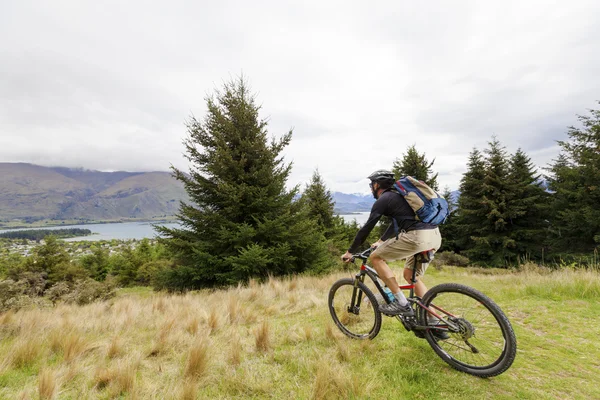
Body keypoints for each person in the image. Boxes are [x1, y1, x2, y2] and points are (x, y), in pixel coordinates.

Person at [341, 170, 442, 317]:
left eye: (371, 185)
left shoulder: (383, 199)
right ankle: (434, 319)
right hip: (434, 236)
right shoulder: (400, 197)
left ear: (377, 185)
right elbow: (397, 222)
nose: (370, 188)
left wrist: (350, 252)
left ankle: (402, 303)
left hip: (417, 237)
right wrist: (381, 241)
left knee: (376, 257)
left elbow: (367, 228)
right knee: (410, 276)